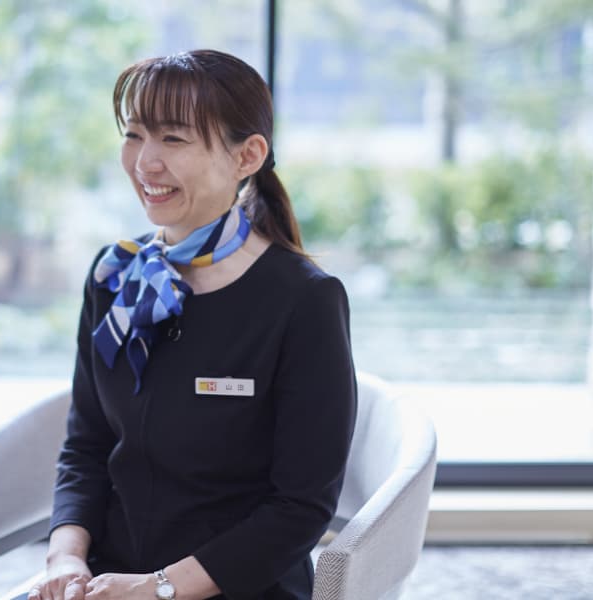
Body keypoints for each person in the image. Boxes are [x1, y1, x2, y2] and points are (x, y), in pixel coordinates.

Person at [29, 49, 357, 600]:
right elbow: (87, 444)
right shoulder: (115, 275)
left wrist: (157, 589)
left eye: (173, 139)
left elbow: (300, 508)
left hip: (239, 587)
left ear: (247, 155)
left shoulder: (304, 300)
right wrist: (65, 558)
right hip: (108, 578)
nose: (145, 163)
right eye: (134, 135)